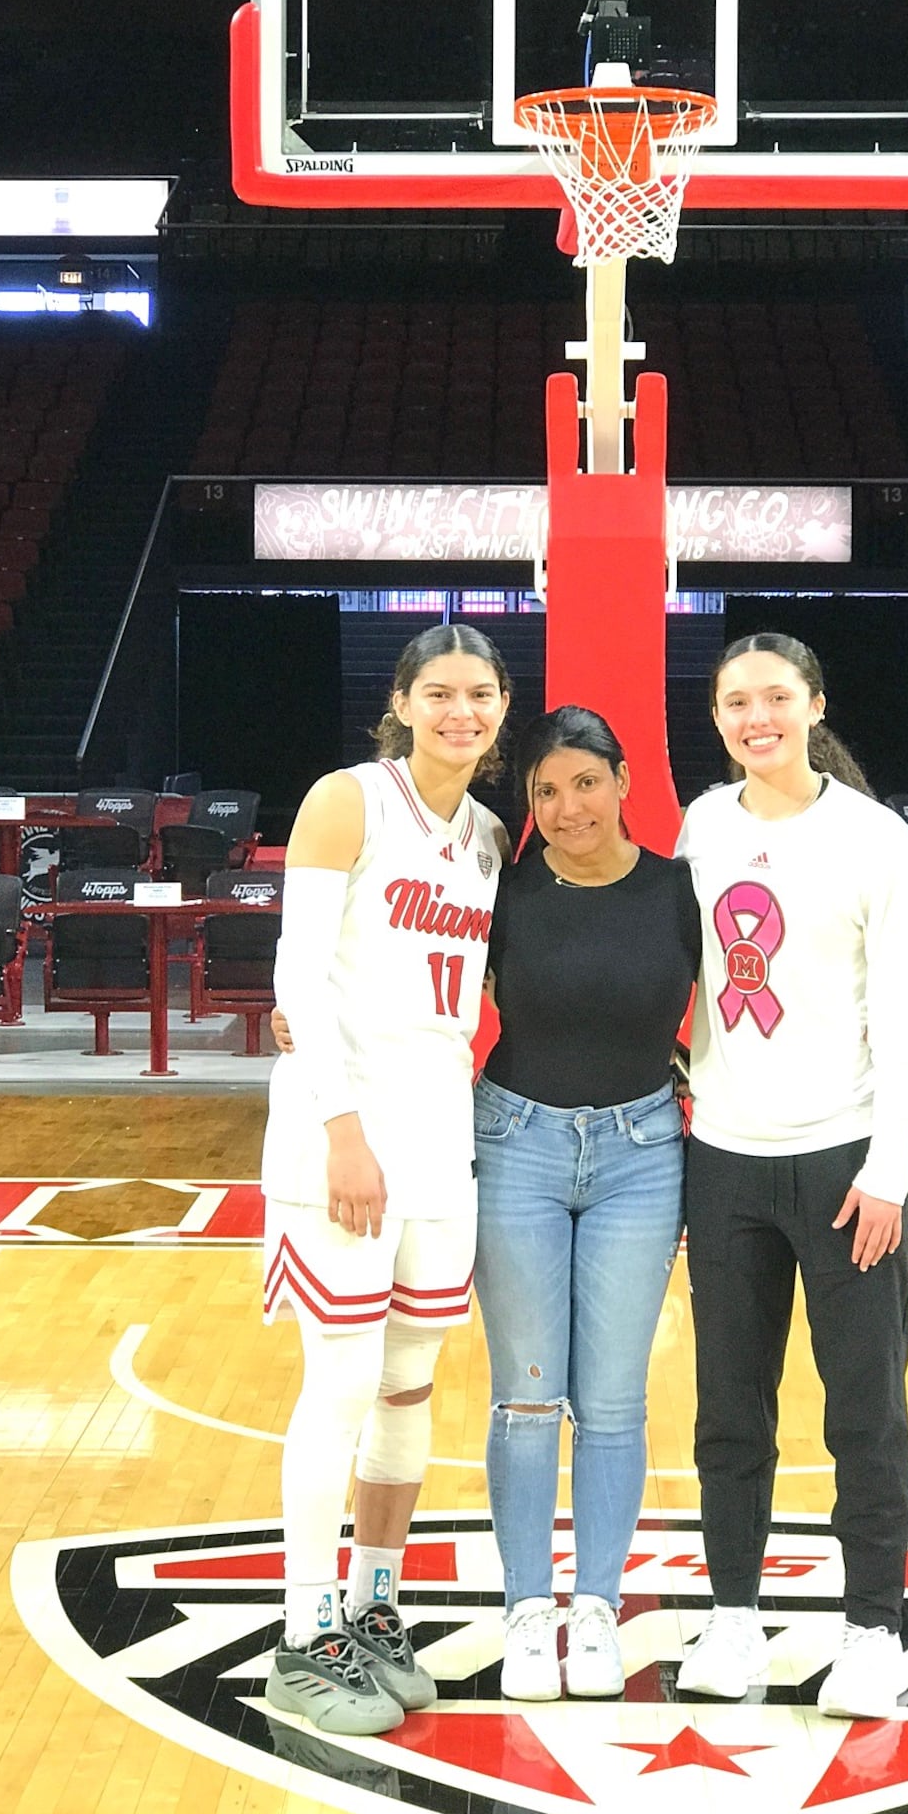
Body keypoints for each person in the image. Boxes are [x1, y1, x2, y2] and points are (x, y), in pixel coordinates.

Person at [261, 623, 511, 1736]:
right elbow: (296, 979)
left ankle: (374, 1607)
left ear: (503, 709)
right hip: (344, 1130)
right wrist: (342, 1128)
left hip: (441, 1130)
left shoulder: (494, 836)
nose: (462, 711)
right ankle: (303, 1632)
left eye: (482, 694)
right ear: (403, 701)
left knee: (409, 1385)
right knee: (340, 1383)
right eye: (441, 692)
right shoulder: (347, 798)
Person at [673, 631, 908, 1720]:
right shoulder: (701, 822)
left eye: (776, 696)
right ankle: (734, 1617)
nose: (756, 716)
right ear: (718, 717)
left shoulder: (873, 838)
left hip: (842, 1162)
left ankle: (871, 1628)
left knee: (863, 1410)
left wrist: (889, 1163)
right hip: (723, 1157)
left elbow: (901, 1012)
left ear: (813, 704)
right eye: (737, 701)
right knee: (729, 1408)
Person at [473, 707, 699, 1702]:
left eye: (585, 783)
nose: (568, 807)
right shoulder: (502, 894)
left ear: (622, 782)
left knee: (611, 1401)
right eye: (546, 792)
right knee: (526, 1397)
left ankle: (597, 1608)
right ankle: (528, 1611)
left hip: (641, 1156)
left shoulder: (680, 892)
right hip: (514, 1145)